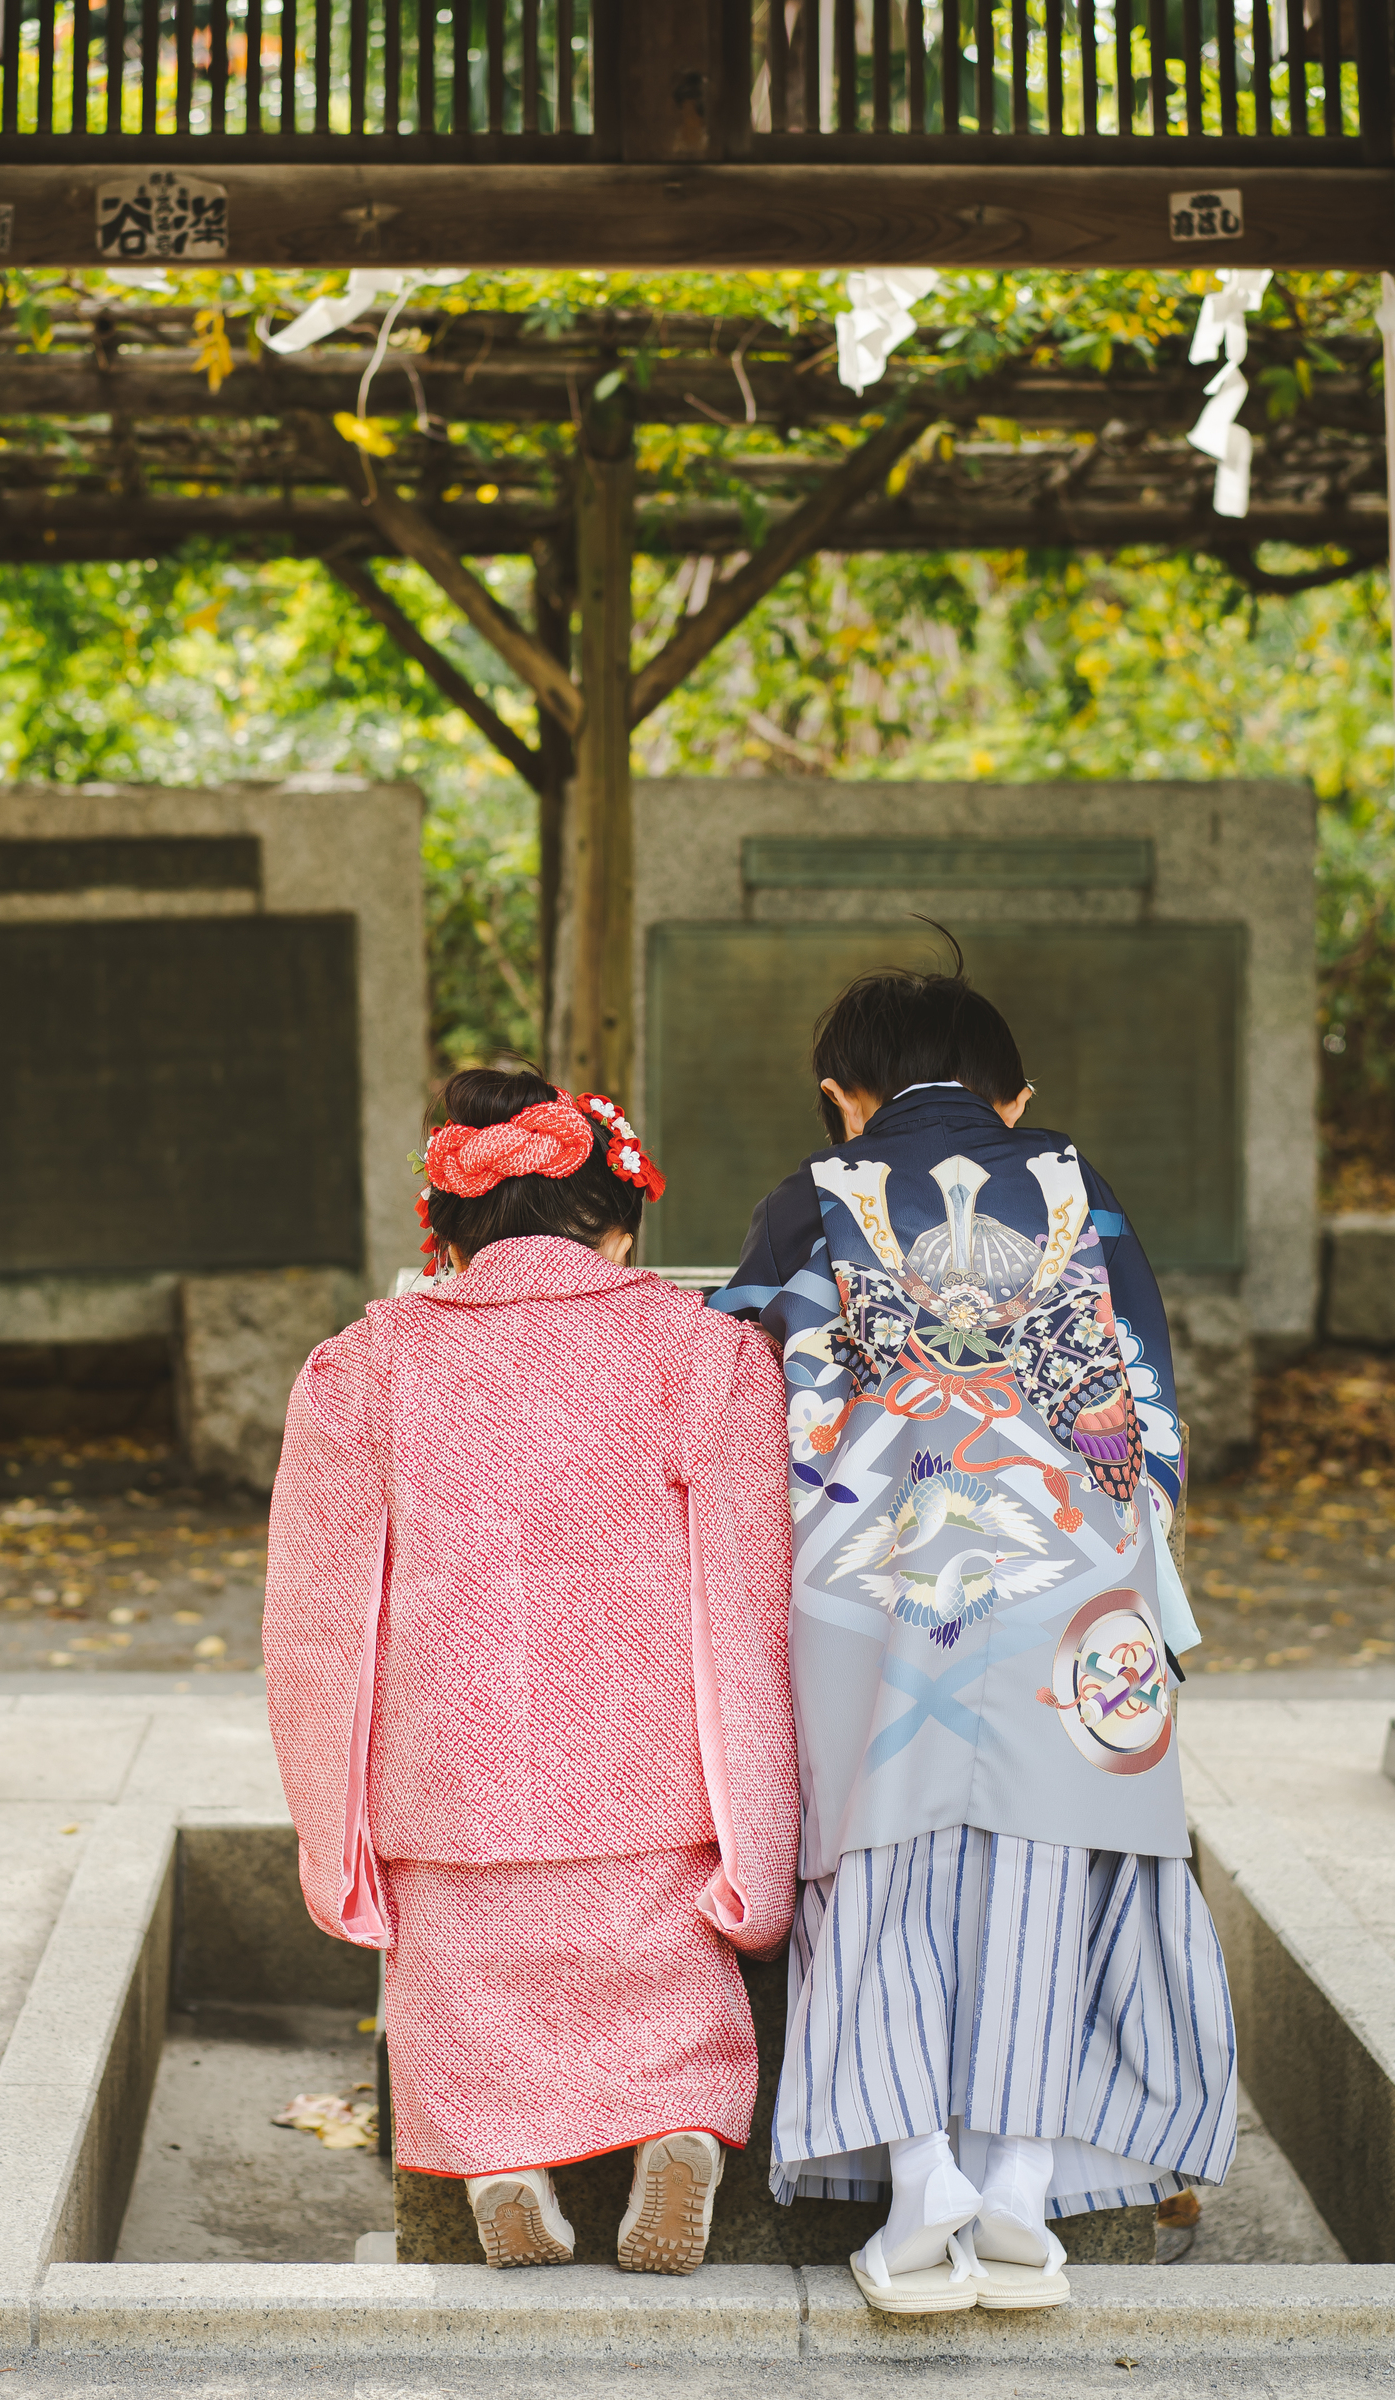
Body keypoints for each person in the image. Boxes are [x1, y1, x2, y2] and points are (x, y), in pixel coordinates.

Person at [710, 949, 1235, 2315]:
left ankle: (917, 2182)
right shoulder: (1080, 1189)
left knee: (877, 1860)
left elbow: (729, 1392)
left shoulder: (809, 1198)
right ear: (1013, 1101)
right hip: (1073, 1585)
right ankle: (1021, 2182)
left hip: (875, 1591)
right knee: (1057, 1857)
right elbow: (1147, 1406)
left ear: (843, 1095)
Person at [264, 1068, 800, 2274]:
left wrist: (331, 1840)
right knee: (666, 1989)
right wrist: (759, 1850)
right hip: (647, 1769)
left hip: (449, 1777)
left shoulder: (366, 1364)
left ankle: (502, 2169)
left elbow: (316, 1619)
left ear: (447, 1237)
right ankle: (678, 2130)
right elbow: (747, 1603)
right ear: (618, 1226)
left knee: (465, 2005)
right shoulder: (703, 1354)